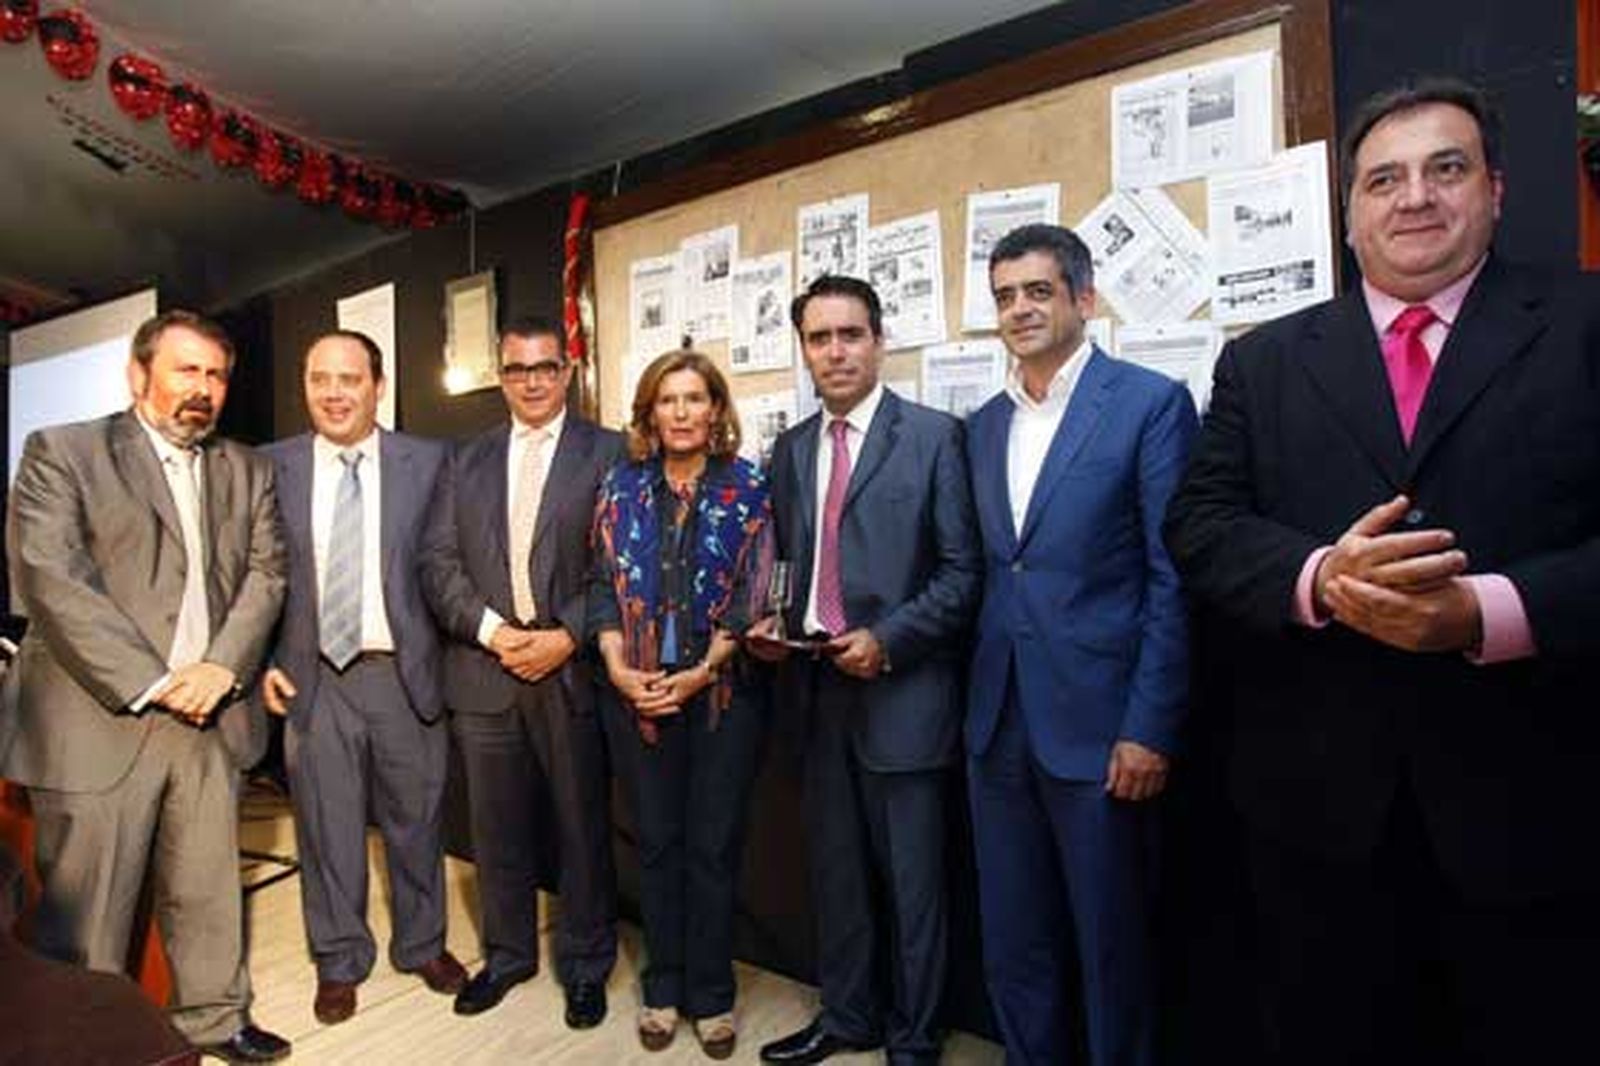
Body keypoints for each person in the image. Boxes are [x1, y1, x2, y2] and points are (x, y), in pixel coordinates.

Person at [1163, 78, 1600, 1065]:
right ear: (1349, 211)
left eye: (1444, 169)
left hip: (1535, 812)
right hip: (1315, 820)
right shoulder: (1263, 361)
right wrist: (1320, 578)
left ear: (1492, 189)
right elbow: (1197, 523)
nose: (1414, 197)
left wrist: (1488, 610)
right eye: (1383, 179)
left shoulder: (1581, 325)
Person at [0, 310, 290, 1062]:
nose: (203, 388)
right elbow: (52, 577)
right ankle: (83, 1044)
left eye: (216, 375)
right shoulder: (62, 452)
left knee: (207, 893)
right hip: (98, 718)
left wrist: (220, 668)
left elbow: (266, 575)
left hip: (209, 718)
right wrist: (156, 681)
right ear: (140, 374)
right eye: (185, 370)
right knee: (86, 917)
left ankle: (215, 1019)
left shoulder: (247, 467)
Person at [966, 224, 1195, 1065]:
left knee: (1111, 947)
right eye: (1004, 296)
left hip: (1103, 733)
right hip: (998, 729)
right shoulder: (983, 426)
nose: (1019, 308)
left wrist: (1150, 727)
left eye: (1037, 290)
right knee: (1015, 944)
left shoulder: (1147, 403)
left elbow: (1175, 578)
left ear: (1083, 298)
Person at [752, 276, 982, 1066]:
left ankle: (915, 1040)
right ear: (805, 350)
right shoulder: (789, 449)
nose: (836, 351)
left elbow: (962, 575)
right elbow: (786, 564)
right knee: (837, 878)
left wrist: (888, 639)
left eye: (850, 334)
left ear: (880, 340)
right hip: (814, 693)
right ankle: (847, 1017)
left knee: (915, 888)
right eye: (819, 339)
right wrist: (769, 623)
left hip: (903, 694)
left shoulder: (935, 437)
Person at [419, 315, 621, 1025]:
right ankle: (506, 957)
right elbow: (437, 563)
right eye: (516, 369)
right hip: (485, 669)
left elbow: (616, 566)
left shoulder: (611, 452)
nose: (532, 381)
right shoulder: (463, 461)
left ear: (566, 371)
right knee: (495, 830)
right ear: (500, 377)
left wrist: (567, 634)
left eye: (544, 367)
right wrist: (494, 632)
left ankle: (588, 964)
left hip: (570, 669)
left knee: (580, 827)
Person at [258, 331, 464, 1025]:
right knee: (326, 829)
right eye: (320, 379)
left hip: (402, 674)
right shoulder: (270, 467)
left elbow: (448, 566)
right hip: (314, 679)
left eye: (350, 378)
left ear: (379, 385)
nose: (335, 392)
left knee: (417, 823)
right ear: (305, 386)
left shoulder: (430, 461)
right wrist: (262, 662)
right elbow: (252, 578)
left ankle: (423, 943)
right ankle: (340, 960)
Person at [590, 349, 771, 1059]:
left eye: (696, 398)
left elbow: (759, 596)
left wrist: (701, 671)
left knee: (713, 847)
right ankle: (663, 988)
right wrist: (616, 666)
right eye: (669, 400)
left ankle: (713, 995)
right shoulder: (621, 486)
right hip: (636, 693)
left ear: (717, 410)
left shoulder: (749, 487)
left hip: (721, 693)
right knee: (658, 846)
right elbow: (600, 583)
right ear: (650, 413)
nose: (683, 412)